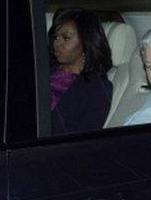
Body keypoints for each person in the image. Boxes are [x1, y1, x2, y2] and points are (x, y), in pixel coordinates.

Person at [48, 7, 112, 135]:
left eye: (66, 38)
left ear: (86, 41)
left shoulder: (96, 88)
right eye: (56, 37)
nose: (57, 44)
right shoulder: (44, 71)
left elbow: (83, 141)